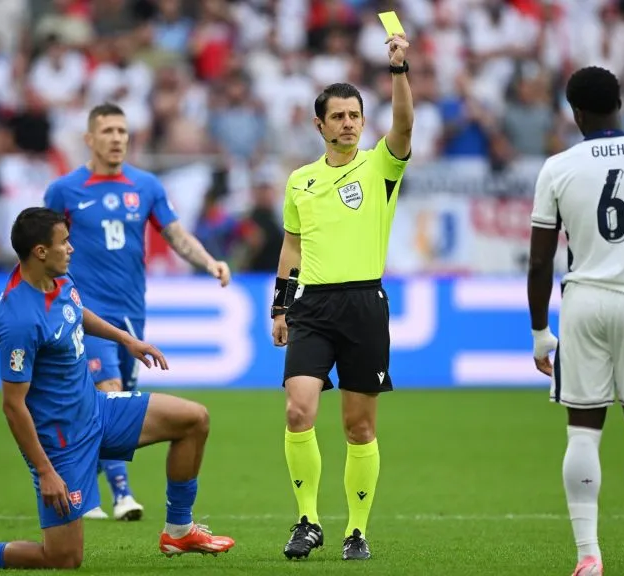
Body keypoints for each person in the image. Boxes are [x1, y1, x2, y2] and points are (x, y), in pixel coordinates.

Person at [0, 207, 235, 569]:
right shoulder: (18, 320)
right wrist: (47, 472)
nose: (72, 248)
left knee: (193, 419)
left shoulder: (59, 280)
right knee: (63, 558)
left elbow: (76, 313)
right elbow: (13, 407)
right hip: (62, 445)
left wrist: (126, 339)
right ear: (40, 251)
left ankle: (178, 531)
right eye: (64, 242)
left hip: (98, 409)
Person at [526, 66, 624, 576]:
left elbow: (538, 262)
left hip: (584, 304)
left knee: (582, 433)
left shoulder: (557, 168)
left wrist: (539, 334)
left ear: (574, 113)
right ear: (621, 102)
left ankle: (588, 559)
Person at [42, 103, 230, 521]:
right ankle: (122, 494)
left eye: (123, 131)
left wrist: (209, 262)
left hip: (132, 314)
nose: (116, 138)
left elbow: (176, 234)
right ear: (90, 139)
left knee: (117, 407)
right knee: (109, 393)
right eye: (107, 130)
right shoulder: (64, 190)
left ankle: (78, 485)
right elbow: (44, 245)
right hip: (86, 311)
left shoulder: (146, 185)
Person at [271, 33, 413, 561]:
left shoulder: (381, 166)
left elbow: (404, 126)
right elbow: (292, 243)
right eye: (339, 116)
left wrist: (399, 70)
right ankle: (308, 521)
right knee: (297, 411)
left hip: (364, 306)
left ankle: (356, 529)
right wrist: (281, 304)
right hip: (312, 308)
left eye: (355, 115)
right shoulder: (300, 181)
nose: (349, 123)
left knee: (359, 426)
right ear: (320, 125)